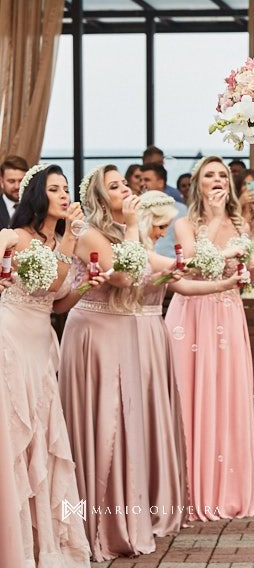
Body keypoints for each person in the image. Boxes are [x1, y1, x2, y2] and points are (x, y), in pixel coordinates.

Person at [165, 156, 254, 521]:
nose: (217, 180)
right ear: (198, 184)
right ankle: (191, 489)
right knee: (190, 397)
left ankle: (226, 488)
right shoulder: (185, 224)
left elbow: (244, 276)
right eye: (209, 175)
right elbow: (190, 265)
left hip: (228, 314)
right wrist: (211, 221)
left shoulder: (240, 223)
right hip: (192, 313)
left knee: (226, 396)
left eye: (222, 175)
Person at [59, 164, 156, 561]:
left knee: (125, 422)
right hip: (94, 333)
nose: (126, 191)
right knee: (101, 424)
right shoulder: (88, 235)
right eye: (115, 186)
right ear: (101, 199)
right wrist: (134, 226)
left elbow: (155, 271)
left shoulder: (118, 233)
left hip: (123, 330)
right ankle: (94, 523)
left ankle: (124, 520)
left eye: (125, 184)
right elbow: (122, 278)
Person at [135, 190, 243, 538]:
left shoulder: (150, 250)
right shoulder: (154, 245)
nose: (164, 232)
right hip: (168, 324)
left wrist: (234, 276)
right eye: (160, 226)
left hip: (212, 309)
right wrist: (217, 231)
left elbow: (179, 280)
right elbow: (185, 270)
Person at [0, 165, 92, 567]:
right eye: (54, 188)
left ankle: (48, 545)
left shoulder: (58, 239)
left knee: (45, 436)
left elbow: (56, 301)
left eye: (66, 187)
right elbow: (52, 279)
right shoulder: (12, 237)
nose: (63, 194)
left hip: (42, 343)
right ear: (37, 194)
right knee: (16, 434)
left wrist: (87, 286)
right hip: (12, 340)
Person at [141, 162, 187, 258]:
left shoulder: (181, 210)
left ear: (160, 183)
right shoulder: (137, 209)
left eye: (147, 180)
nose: (142, 183)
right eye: (140, 180)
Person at [0, 155, 28, 229]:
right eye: (11, 181)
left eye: (21, 181)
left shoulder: (37, 207)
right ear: (2, 182)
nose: (17, 186)